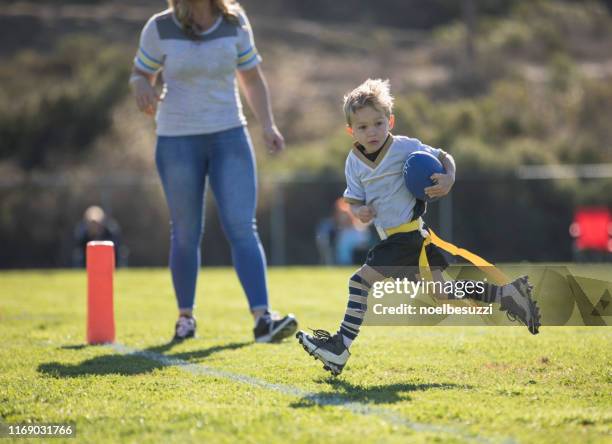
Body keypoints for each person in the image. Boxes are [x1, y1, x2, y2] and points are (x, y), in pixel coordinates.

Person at [296, 79, 540, 375]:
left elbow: (443, 156)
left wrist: (449, 176)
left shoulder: (406, 147)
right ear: (351, 131)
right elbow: (354, 202)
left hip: (407, 237)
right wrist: (362, 212)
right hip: (406, 240)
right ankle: (510, 295)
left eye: (378, 123)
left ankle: (339, 347)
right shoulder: (353, 162)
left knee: (359, 282)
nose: (371, 131)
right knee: (443, 293)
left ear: (390, 121)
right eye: (362, 127)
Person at [130, 0, 297, 342]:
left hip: (229, 136)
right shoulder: (159, 27)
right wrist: (141, 84)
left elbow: (251, 78)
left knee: (242, 226)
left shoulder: (234, 21)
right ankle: (185, 318)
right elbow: (139, 74)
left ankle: (263, 318)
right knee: (186, 231)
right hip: (177, 140)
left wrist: (267, 124)